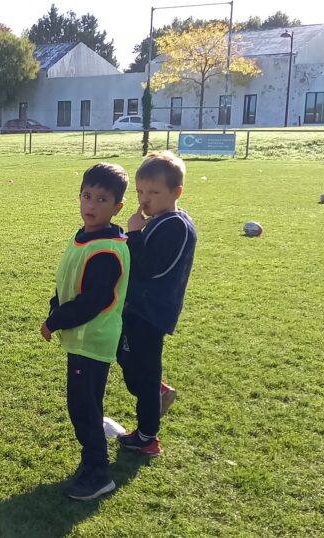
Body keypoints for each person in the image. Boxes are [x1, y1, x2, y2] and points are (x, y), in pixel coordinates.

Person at [40, 162, 131, 501]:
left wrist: (54, 321)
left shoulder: (107, 249)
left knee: (84, 408)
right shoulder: (84, 236)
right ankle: (91, 464)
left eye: (102, 200)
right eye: (86, 196)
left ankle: (98, 474)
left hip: (92, 340)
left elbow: (92, 301)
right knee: (84, 405)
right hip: (81, 340)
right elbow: (69, 281)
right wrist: (55, 305)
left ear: (117, 206)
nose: (91, 205)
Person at [116, 151, 197, 458]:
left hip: (150, 314)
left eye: (153, 192)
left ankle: (147, 438)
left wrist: (133, 234)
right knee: (126, 358)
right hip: (139, 309)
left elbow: (147, 268)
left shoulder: (175, 226)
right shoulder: (160, 221)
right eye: (140, 192)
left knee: (144, 376)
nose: (144, 199)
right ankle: (158, 391)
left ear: (176, 192)